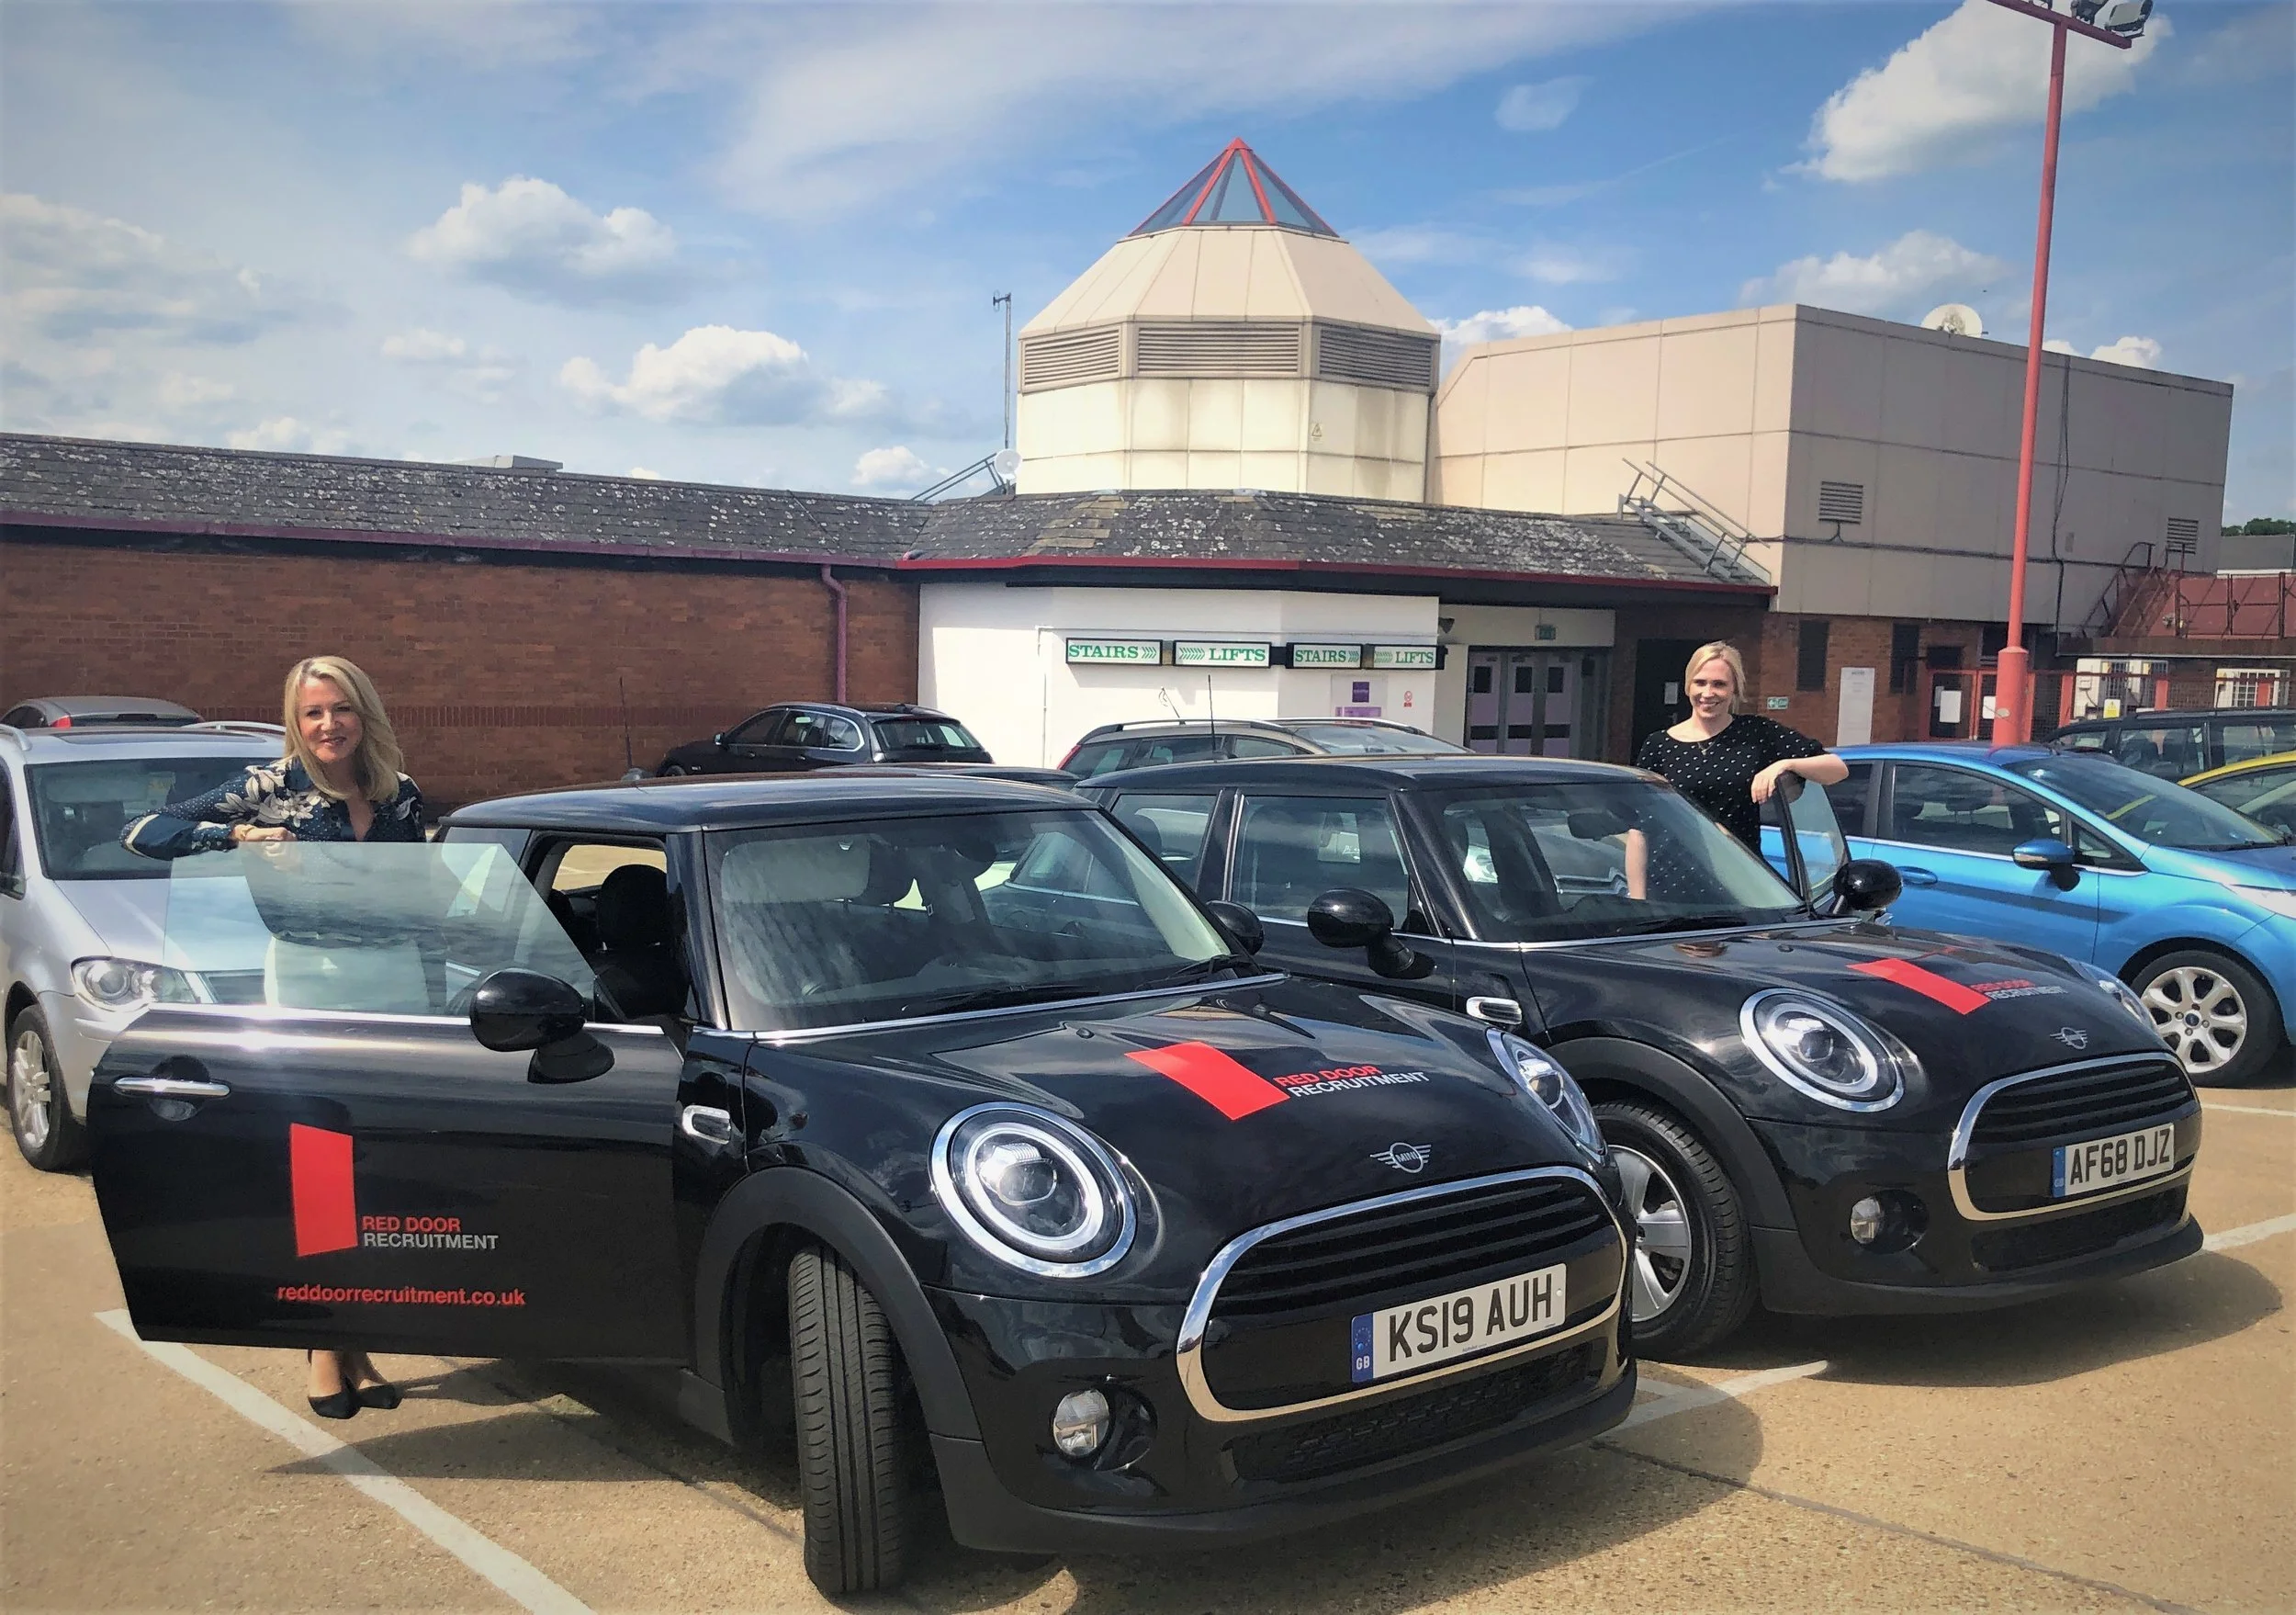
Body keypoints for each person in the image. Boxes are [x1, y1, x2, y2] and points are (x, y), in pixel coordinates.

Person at [121, 655, 422, 1419]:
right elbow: (144, 833)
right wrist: (240, 839)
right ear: (297, 719)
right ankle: (325, 1344)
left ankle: (356, 1339)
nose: (329, 725)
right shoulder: (273, 787)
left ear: (365, 713)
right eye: (314, 711)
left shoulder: (399, 793)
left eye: (341, 709)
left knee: (377, 1164)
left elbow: (422, 892)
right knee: (321, 1160)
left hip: (395, 982)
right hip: (310, 980)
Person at [1634, 640, 1848, 856]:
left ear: (1734, 688)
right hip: (1673, 874)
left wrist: (1783, 765)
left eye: (1719, 684)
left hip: (1740, 875)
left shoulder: (1756, 732)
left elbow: (1837, 769)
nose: (1707, 693)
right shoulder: (1658, 744)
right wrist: (1638, 891)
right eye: (1700, 682)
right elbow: (1640, 828)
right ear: (1688, 686)